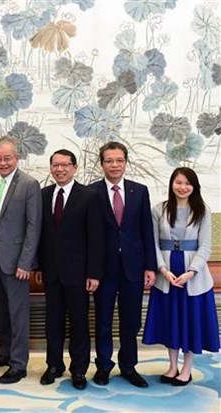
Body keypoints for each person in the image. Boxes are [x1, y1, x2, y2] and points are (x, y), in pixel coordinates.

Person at [142, 167, 219, 386]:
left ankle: (187, 368)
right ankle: (172, 365)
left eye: (187, 183)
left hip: (192, 275)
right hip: (167, 272)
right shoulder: (159, 209)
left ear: (194, 186)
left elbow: (205, 246)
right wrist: (163, 269)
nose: (182, 187)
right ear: (171, 184)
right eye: (178, 182)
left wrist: (191, 272)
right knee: (171, 319)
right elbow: (153, 243)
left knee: (190, 320)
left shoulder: (202, 210)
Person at [90, 141, 157, 388]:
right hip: (103, 270)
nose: (114, 165)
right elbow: (90, 236)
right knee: (103, 320)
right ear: (102, 164)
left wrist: (150, 266)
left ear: (125, 162)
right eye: (109, 160)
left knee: (131, 321)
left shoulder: (139, 191)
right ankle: (104, 366)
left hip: (134, 267)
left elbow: (146, 231)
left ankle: (129, 366)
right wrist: (91, 271)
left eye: (119, 160)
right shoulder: (91, 192)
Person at [36, 149, 103, 390]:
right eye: (55, 165)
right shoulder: (43, 195)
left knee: (79, 323)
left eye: (65, 165)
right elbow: (41, 236)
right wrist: (40, 266)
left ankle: (79, 370)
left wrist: (94, 273)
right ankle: (54, 365)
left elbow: (96, 237)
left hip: (79, 273)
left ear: (75, 168)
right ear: (51, 168)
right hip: (51, 272)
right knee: (52, 322)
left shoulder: (89, 195)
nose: (60, 169)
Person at [0, 137, 42, 384]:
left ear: (16, 158)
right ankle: (5, 354)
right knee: (2, 310)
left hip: (17, 261)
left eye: (7, 158)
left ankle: (19, 364)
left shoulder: (29, 184)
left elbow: (33, 225)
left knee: (17, 313)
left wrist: (25, 262)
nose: (3, 163)